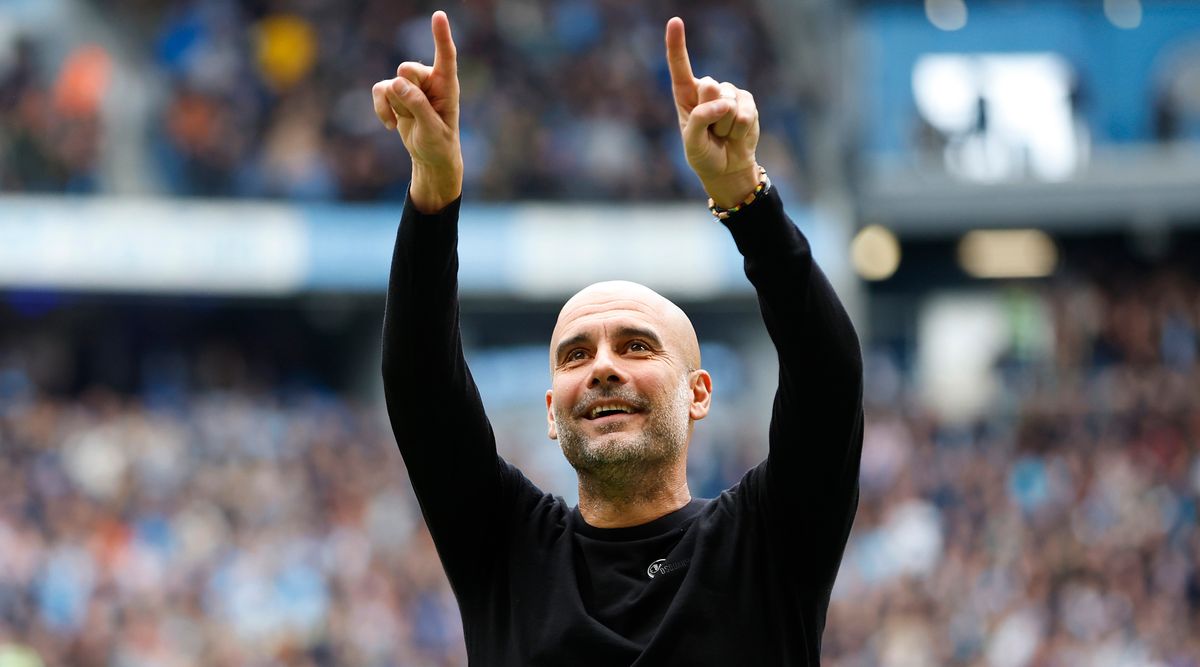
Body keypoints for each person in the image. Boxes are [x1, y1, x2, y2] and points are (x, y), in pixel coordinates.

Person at [375, 11, 863, 665]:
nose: (602, 367)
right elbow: (421, 387)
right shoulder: (507, 549)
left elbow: (827, 380)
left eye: (636, 345)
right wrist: (433, 192)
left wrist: (745, 199)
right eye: (576, 355)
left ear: (698, 393)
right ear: (552, 410)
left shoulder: (766, 542)